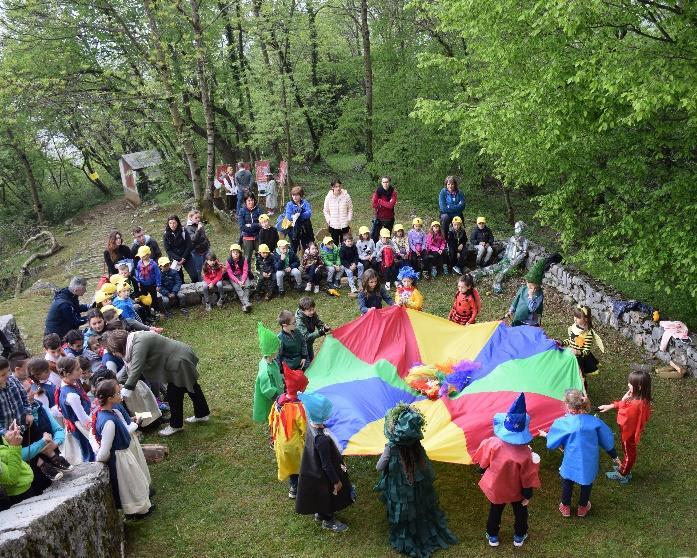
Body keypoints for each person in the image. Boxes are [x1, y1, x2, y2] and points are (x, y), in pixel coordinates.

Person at [375, 403, 458, 556]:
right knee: (416, 506)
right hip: (417, 486)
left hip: (400, 489)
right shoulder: (416, 445)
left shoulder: (390, 448)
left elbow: (379, 467)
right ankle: (421, 528)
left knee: (403, 509)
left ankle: (405, 535)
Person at [105, 329, 210, 437]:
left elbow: (136, 370)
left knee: (174, 395)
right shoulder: (134, 340)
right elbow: (130, 370)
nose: (114, 354)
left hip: (179, 361)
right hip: (178, 358)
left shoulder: (139, 343)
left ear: (120, 346)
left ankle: (176, 425)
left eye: (114, 351)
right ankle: (202, 414)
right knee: (191, 387)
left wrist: (122, 394)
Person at [472, 393, 541, 548]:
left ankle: (493, 535)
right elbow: (527, 476)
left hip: (497, 487)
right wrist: (527, 493)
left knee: (495, 510)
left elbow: (484, 460)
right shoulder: (525, 454)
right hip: (516, 490)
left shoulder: (493, 443)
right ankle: (519, 535)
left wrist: (482, 469)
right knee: (520, 511)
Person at [539, 389, 619, 518]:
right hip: (589, 460)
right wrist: (614, 455)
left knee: (567, 482)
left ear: (567, 405)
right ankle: (583, 507)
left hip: (571, 460)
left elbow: (552, 443)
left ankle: (565, 506)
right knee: (586, 483)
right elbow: (607, 440)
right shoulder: (595, 422)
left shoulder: (563, 423)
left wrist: (547, 435)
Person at [93, 379, 154, 519]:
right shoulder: (108, 421)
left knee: (135, 481)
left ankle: (141, 508)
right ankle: (137, 511)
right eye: (118, 393)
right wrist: (101, 459)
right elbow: (105, 448)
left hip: (124, 455)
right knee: (130, 484)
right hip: (120, 458)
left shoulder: (110, 414)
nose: (121, 394)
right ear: (110, 398)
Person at [296, 392, 353, 532]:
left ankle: (320, 513)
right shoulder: (322, 440)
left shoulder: (311, 426)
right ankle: (328, 520)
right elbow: (327, 465)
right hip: (325, 475)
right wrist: (336, 481)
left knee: (321, 495)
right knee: (328, 495)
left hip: (313, 469)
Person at [599, 369, 652, 484]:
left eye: (630, 383)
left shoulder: (636, 404)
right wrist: (613, 405)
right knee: (628, 451)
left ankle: (623, 473)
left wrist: (621, 402)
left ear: (639, 386)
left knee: (629, 453)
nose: (628, 384)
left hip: (629, 433)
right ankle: (624, 467)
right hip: (629, 431)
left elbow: (624, 414)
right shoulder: (640, 398)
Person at [21, 377, 71, 489]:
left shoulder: (39, 407)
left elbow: (58, 430)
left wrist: (55, 444)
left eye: (31, 389)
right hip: (36, 476)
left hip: (56, 462)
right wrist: (41, 445)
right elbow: (19, 454)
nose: (33, 393)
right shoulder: (15, 421)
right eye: (27, 392)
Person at [269, 365, 308, 499]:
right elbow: (305, 429)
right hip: (295, 446)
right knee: (300, 467)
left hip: (280, 443)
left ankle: (293, 488)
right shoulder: (298, 408)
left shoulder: (278, 402)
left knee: (291, 468)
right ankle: (301, 489)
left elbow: (271, 420)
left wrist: (273, 438)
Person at [57, 356, 95, 463]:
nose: (81, 371)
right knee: (89, 449)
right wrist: (96, 426)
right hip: (80, 426)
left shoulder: (71, 382)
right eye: (78, 369)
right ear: (68, 374)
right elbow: (83, 418)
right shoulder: (71, 395)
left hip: (81, 421)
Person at [472, 221, 529, 294]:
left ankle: (496, 284)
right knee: (492, 268)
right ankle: (473, 275)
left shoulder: (525, 241)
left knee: (503, 272)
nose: (517, 230)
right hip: (506, 260)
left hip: (514, 261)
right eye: (516, 228)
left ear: (522, 229)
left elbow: (524, 254)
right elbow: (508, 249)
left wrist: (514, 262)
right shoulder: (512, 238)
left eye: (519, 228)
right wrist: (504, 258)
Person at [559, 305, 605, 382]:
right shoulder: (574, 327)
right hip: (571, 354)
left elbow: (587, 350)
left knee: (579, 375)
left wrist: (578, 352)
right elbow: (571, 340)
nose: (575, 319)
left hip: (579, 358)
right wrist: (563, 342)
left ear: (586, 319)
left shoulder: (588, 334)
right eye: (575, 316)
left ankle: (581, 387)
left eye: (578, 317)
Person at [0, 420, 36, 512]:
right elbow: (11, 478)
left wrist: (8, 438)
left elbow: (4, 451)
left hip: (25, 486)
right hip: (17, 494)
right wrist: (15, 446)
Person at [252, 322, 284, 424]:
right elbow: (266, 389)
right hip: (270, 400)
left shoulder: (271, 361)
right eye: (276, 349)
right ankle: (273, 431)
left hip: (277, 394)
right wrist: (278, 399)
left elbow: (276, 374)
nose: (278, 351)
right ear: (271, 351)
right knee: (272, 416)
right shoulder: (265, 370)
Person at [505, 261, 545, 327]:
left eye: (532, 286)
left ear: (537, 286)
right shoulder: (523, 289)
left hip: (530, 322)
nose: (529, 287)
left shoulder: (539, 295)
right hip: (519, 318)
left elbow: (532, 309)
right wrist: (510, 311)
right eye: (528, 284)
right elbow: (516, 301)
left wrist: (530, 296)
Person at [0, 356, 32, 438]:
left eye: (8, 371)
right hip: (9, 436)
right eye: (3, 375)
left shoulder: (13, 380)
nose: (7, 375)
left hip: (24, 426)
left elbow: (24, 397)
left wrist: (28, 413)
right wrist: (4, 432)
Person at [163, 215, 198, 283]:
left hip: (186, 256)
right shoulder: (166, 234)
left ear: (177, 223)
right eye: (170, 223)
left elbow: (189, 245)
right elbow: (168, 250)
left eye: (174, 223)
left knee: (194, 275)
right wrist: (178, 259)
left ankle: (195, 287)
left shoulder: (183, 231)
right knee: (179, 278)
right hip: (174, 258)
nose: (172, 225)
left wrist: (183, 258)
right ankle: (183, 290)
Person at [295, 297, 330, 364]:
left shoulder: (311, 312)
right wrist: (322, 331)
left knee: (311, 358)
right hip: (301, 345)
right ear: (303, 310)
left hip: (309, 342)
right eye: (310, 310)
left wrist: (324, 327)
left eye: (313, 309)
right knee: (306, 362)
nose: (312, 312)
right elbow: (306, 337)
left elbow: (317, 321)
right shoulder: (299, 321)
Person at [283, 186, 314, 255]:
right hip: (294, 229)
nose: (294, 197)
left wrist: (299, 215)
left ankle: (307, 261)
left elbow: (309, 213)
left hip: (305, 228)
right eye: (293, 195)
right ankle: (294, 263)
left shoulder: (304, 202)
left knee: (306, 245)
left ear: (301, 195)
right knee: (294, 247)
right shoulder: (289, 204)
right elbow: (289, 216)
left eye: (297, 195)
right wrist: (296, 215)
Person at [323, 178, 353, 246]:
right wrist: (329, 220)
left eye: (339, 186)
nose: (338, 188)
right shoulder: (328, 197)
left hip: (344, 224)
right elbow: (325, 210)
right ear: (332, 187)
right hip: (334, 225)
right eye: (336, 186)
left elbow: (350, 208)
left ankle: (344, 256)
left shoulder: (346, 196)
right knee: (335, 244)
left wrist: (348, 219)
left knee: (345, 244)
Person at [184, 210, 211, 280]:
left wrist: (208, 243)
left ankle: (208, 279)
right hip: (197, 252)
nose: (198, 219)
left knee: (208, 265)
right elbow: (193, 239)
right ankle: (200, 283)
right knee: (199, 269)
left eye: (199, 217)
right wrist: (198, 230)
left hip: (205, 248)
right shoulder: (187, 227)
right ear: (190, 218)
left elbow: (203, 235)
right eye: (196, 218)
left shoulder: (199, 224)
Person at [225, 244, 252, 313]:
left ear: (240, 253)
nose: (236, 254)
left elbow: (245, 271)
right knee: (238, 287)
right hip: (234, 277)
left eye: (237, 252)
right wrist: (238, 282)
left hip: (242, 275)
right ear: (231, 253)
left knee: (247, 285)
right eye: (234, 252)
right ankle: (247, 303)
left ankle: (245, 304)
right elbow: (230, 274)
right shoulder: (228, 261)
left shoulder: (243, 259)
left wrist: (243, 280)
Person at [134, 246, 161, 314]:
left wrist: (158, 284)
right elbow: (137, 271)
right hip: (143, 284)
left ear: (148, 255)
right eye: (140, 256)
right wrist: (138, 280)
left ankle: (156, 310)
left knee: (154, 297)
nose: (141, 257)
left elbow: (158, 274)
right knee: (144, 296)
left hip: (152, 284)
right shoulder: (140, 263)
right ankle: (146, 310)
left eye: (143, 256)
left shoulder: (153, 264)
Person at [238, 194, 262, 265]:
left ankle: (259, 271)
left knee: (260, 255)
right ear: (245, 201)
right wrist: (256, 226)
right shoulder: (242, 211)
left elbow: (262, 224)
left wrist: (251, 225)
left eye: (252, 200)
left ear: (254, 201)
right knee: (247, 257)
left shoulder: (258, 209)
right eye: (248, 200)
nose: (250, 202)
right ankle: (247, 273)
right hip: (247, 237)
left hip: (258, 236)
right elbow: (242, 227)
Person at [371, 176, 397, 242]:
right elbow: (374, 204)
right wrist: (385, 204)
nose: (385, 184)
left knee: (387, 237)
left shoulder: (393, 192)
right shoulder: (378, 192)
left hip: (389, 218)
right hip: (379, 218)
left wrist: (380, 201)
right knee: (375, 237)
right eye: (384, 182)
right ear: (381, 183)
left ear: (389, 182)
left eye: (387, 182)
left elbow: (391, 205)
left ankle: (387, 251)